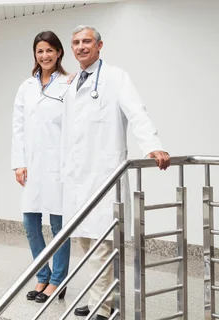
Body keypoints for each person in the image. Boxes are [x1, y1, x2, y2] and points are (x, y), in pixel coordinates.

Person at [60, 25, 170, 320]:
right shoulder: (73, 83)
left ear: (99, 45)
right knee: (85, 244)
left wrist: (152, 146)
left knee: (102, 245)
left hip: (103, 174)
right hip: (77, 176)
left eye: (86, 42)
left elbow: (137, 112)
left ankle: (104, 308)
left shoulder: (115, 77)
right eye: (76, 43)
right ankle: (99, 298)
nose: (81, 47)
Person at [11, 30, 72, 304]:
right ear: (35, 55)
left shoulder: (69, 84)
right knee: (30, 223)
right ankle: (42, 275)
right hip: (33, 165)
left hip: (59, 165)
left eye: (49, 50)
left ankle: (58, 281)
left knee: (59, 224)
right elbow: (18, 127)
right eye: (39, 51)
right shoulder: (26, 86)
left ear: (59, 52)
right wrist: (18, 163)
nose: (44, 55)